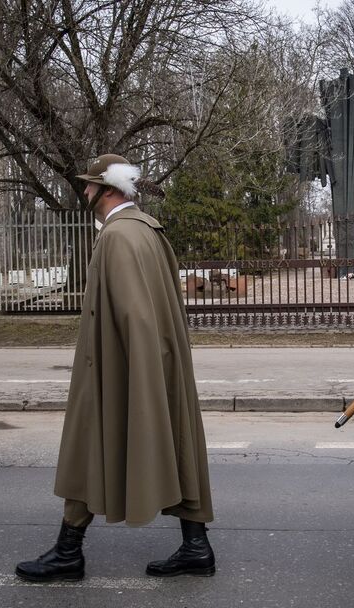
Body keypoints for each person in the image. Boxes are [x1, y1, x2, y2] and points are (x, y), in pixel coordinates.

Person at [15, 154, 215, 582]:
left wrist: (133, 377)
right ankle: (196, 545)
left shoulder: (117, 237)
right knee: (178, 443)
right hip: (155, 361)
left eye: (89, 185)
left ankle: (69, 553)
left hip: (123, 366)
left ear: (107, 190)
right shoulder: (146, 229)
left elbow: (136, 315)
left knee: (88, 446)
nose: (83, 191)